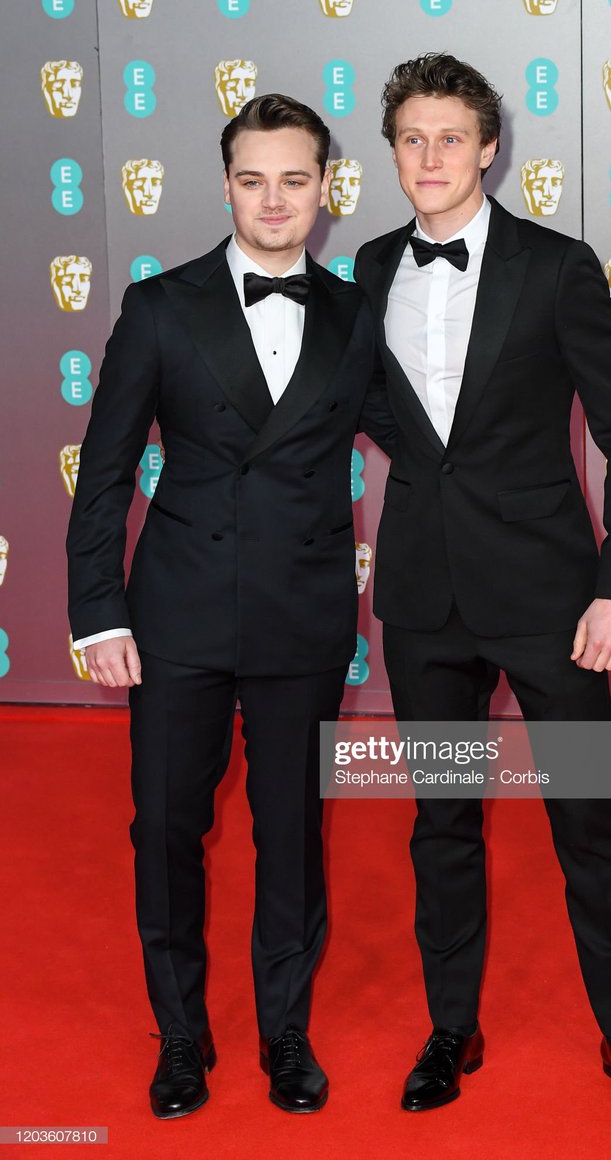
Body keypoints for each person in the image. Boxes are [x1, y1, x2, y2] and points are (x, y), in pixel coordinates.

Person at [354, 54, 611, 1125]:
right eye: (411, 138)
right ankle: (450, 1029)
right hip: (423, 606)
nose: (430, 156)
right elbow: (382, 412)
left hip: (552, 605)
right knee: (441, 821)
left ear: (488, 149)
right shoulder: (368, 268)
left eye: (450, 137)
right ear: (391, 152)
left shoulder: (556, 266)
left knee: (584, 819)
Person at [67, 93, 394, 1119]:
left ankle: (285, 1032)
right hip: (178, 614)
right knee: (165, 828)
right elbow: (104, 473)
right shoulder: (161, 307)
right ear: (225, 187)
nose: (273, 199)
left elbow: (424, 443)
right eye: (253, 180)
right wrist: (99, 612)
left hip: (304, 616)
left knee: (290, 832)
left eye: (294, 179)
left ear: (325, 188)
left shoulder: (355, 314)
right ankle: (180, 1036)